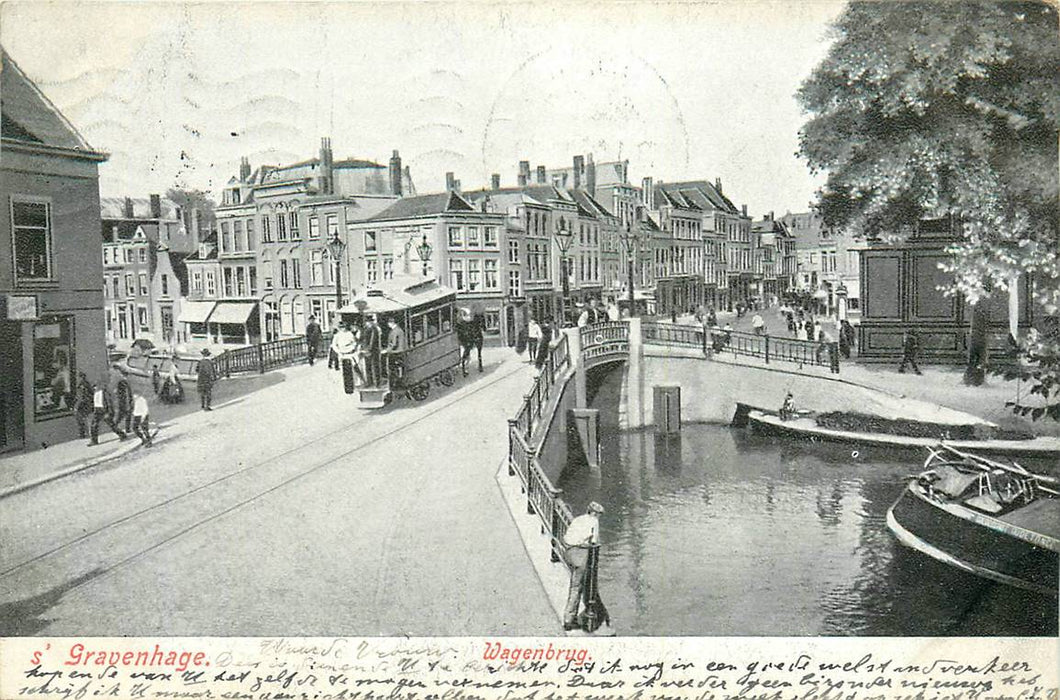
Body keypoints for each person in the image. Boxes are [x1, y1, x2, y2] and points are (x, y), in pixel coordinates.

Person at [562, 501, 605, 631]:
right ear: (594, 513)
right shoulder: (594, 522)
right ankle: (569, 619)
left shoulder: (579, 519)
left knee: (574, 583)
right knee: (577, 586)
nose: (599, 517)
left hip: (568, 551)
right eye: (598, 515)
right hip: (579, 555)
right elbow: (594, 541)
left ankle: (571, 615)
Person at [89, 376, 126, 445]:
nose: (94, 388)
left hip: (104, 410)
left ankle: (122, 434)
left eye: (96, 386)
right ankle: (94, 441)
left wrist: (108, 412)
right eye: (94, 387)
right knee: (93, 425)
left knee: (111, 425)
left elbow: (109, 403)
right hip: (97, 410)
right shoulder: (95, 393)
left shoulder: (104, 393)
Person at [361, 315, 383, 387]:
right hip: (367, 350)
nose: (367, 323)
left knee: (375, 366)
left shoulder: (374, 329)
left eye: (368, 322)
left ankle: (377, 382)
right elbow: (363, 339)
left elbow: (372, 340)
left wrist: (369, 349)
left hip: (373, 350)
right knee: (368, 367)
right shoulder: (366, 329)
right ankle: (369, 382)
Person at [73, 371, 93, 439]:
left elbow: (81, 396)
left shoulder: (82, 385)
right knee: (85, 419)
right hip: (85, 403)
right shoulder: (86, 384)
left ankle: (83, 434)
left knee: (81, 419)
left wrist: (76, 405)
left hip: (83, 404)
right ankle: (86, 433)